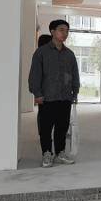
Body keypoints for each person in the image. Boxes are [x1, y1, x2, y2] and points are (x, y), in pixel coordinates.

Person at [28, 19, 80, 168]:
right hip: (47, 97)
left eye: (67, 31)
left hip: (65, 97)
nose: (65, 33)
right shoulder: (41, 53)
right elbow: (35, 75)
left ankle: (60, 153)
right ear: (52, 31)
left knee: (62, 127)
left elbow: (75, 74)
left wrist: (75, 91)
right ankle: (46, 153)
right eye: (61, 30)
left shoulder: (69, 54)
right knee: (45, 128)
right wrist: (37, 93)